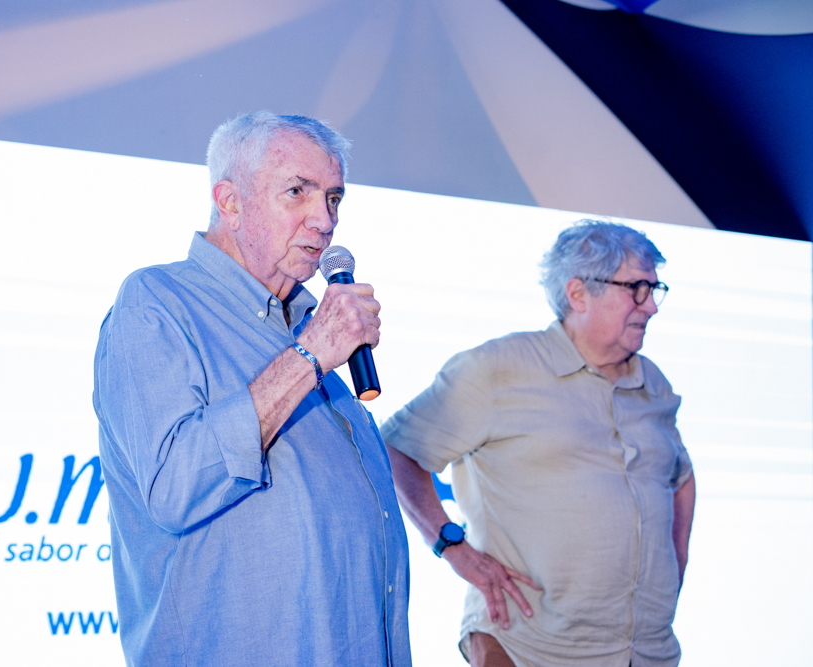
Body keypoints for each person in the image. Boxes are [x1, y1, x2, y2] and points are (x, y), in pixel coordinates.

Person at [92, 112, 411, 666]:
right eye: (297, 192)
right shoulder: (156, 302)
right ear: (230, 202)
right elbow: (175, 485)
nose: (325, 220)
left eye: (334, 198)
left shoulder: (304, 329)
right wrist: (309, 356)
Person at [381, 221, 695, 667]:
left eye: (654, 288)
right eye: (636, 289)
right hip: (528, 647)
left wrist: (673, 565)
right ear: (578, 293)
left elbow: (680, 478)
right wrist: (450, 545)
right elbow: (395, 451)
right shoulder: (498, 367)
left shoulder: (654, 383)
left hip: (646, 652)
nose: (651, 306)